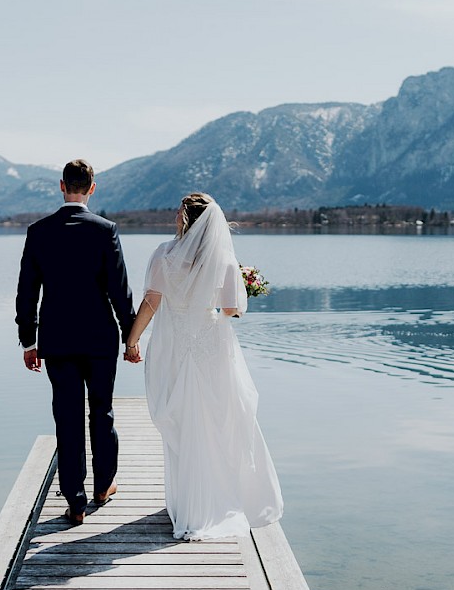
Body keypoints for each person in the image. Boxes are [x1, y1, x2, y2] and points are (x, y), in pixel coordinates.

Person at [124, 192, 283, 540]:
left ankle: (186, 503)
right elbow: (229, 311)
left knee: (182, 422)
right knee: (220, 421)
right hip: (212, 348)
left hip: (176, 348)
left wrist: (132, 341)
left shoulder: (162, 254)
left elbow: (151, 303)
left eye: (177, 213)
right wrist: (242, 291)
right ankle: (215, 498)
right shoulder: (223, 259)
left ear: (184, 218)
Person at [15, 159, 137, 526]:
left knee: (67, 418)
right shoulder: (105, 230)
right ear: (92, 188)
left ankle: (76, 502)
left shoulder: (39, 231)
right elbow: (120, 291)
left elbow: (26, 293)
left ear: (61, 186)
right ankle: (103, 487)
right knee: (102, 411)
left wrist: (28, 340)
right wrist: (131, 338)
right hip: (100, 340)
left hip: (58, 342)